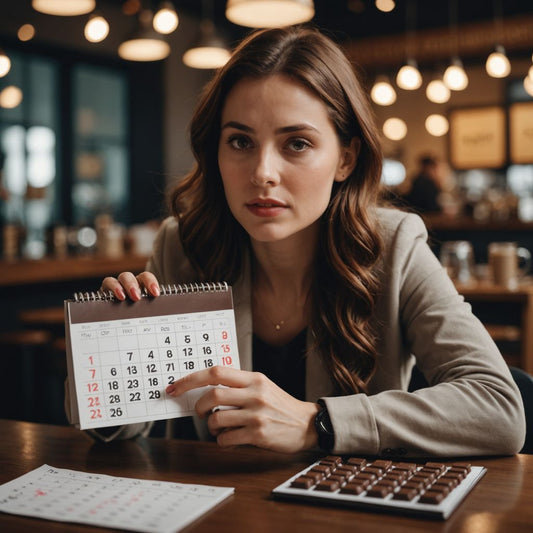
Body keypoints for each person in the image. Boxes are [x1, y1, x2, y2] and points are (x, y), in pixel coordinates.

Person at [91, 26, 525, 456]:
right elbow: (124, 429)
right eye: (240, 141)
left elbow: (500, 409)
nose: (262, 172)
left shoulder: (394, 247)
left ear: (346, 159)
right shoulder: (183, 246)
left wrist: (318, 423)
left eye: (296, 143)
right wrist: (112, 355)